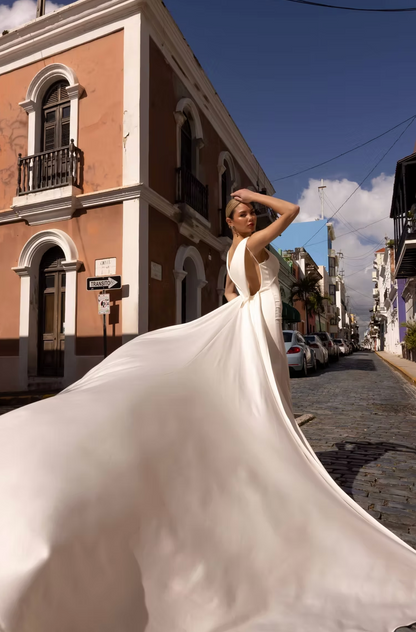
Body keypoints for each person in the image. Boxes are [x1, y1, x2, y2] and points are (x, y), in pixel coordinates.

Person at [0, 190, 415, 632]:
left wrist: (243, 304)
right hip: (267, 320)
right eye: (242, 214)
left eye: (252, 213)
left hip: (257, 317)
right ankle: (272, 469)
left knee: (264, 398)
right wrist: (254, 193)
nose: (251, 217)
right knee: (269, 397)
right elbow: (291, 212)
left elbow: (230, 292)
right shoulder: (252, 246)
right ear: (231, 222)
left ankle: (265, 464)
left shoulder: (234, 252)